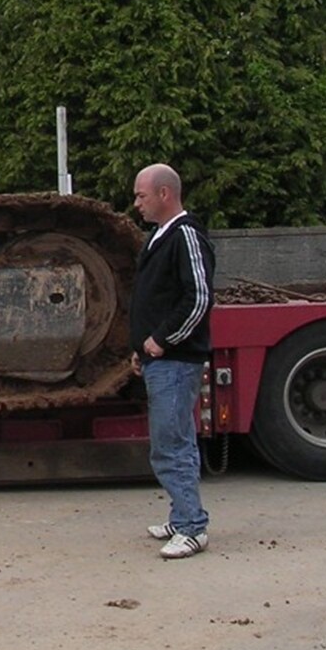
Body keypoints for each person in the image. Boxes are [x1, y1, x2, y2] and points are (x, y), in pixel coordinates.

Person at [130, 162, 215, 560]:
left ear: (165, 194)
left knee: (173, 444)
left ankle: (191, 527)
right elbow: (154, 301)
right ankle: (181, 514)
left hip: (177, 362)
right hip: (158, 360)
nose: (136, 204)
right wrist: (140, 348)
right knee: (169, 441)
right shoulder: (157, 237)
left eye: (141, 196)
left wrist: (162, 342)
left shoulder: (187, 236)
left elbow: (198, 298)